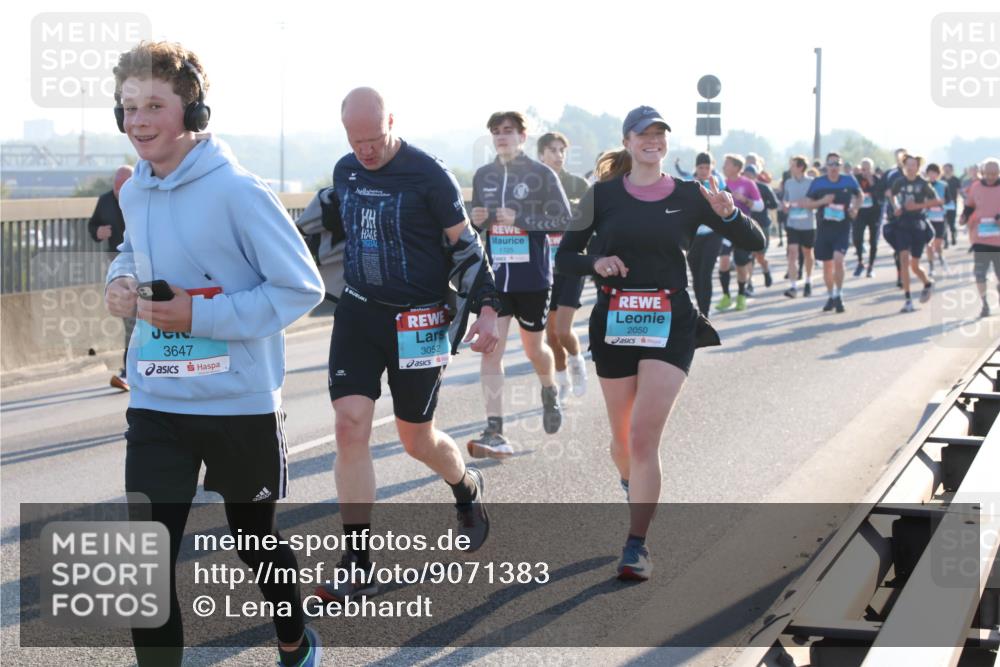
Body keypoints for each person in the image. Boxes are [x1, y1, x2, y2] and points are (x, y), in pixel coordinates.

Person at [103, 41, 325, 667]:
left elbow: (300, 287)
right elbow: (130, 252)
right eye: (129, 107)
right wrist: (120, 281)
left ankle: (294, 641)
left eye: (155, 105)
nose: (139, 121)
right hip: (157, 398)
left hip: (238, 405)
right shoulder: (135, 191)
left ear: (194, 111)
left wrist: (198, 316)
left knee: (255, 542)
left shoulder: (239, 191)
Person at [556, 106, 764, 581]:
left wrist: (730, 214)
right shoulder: (601, 195)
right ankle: (630, 480)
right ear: (627, 142)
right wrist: (595, 264)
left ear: (666, 142)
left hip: (671, 321)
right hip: (615, 321)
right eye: (643, 134)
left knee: (644, 436)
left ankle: (636, 545)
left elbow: (755, 242)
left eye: (659, 134)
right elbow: (565, 258)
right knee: (622, 441)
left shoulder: (692, 194)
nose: (653, 140)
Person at [317, 88, 500, 601]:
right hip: (359, 313)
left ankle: (465, 486)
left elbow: (466, 246)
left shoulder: (428, 175)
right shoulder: (345, 172)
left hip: (418, 320)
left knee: (415, 439)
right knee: (349, 426)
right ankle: (358, 561)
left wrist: (487, 306)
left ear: (392, 122)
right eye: (356, 141)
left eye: (374, 139)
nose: (366, 151)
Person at [466, 112, 571, 458]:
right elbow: (477, 226)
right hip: (495, 279)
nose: (501, 136)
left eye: (508, 131)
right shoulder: (483, 175)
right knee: (491, 350)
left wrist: (522, 220)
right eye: (496, 131)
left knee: (533, 350)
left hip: (532, 278)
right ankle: (494, 429)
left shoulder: (541, 174)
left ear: (523, 136)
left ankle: (549, 390)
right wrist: (477, 221)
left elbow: (563, 220)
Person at [537, 131, 590, 400]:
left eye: (562, 150)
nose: (559, 155)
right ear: (541, 155)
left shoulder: (578, 185)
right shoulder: (532, 186)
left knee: (562, 329)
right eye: (553, 150)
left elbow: (590, 221)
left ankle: (578, 362)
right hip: (545, 268)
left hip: (571, 264)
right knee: (551, 335)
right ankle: (561, 379)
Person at [88, 164, 134, 391]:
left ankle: (131, 370)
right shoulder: (105, 200)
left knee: (138, 319)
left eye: (122, 187)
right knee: (130, 318)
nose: (118, 192)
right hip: (117, 268)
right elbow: (93, 225)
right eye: (116, 188)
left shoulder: (142, 196)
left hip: (144, 266)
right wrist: (98, 232)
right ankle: (130, 371)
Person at [803, 152, 862, 313]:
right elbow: (808, 203)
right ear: (826, 166)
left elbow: (860, 195)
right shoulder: (818, 183)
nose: (834, 167)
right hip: (824, 228)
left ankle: (839, 294)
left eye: (837, 164)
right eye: (831, 164)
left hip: (842, 227)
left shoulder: (849, 180)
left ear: (841, 166)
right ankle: (831, 295)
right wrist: (823, 201)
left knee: (838, 259)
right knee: (827, 265)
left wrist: (855, 208)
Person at [886, 154, 942, 312]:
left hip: (918, 224)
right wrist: (896, 206)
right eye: (908, 165)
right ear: (904, 167)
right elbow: (891, 194)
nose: (910, 168)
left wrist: (917, 206)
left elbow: (936, 201)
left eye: (913, 165)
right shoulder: (899, 182)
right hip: (902, 224)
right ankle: (908, 299)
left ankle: (927, 283)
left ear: (917, 167)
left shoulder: (923, 183)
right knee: (903, 259)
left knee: (915, 265)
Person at [716, 154, 764, 311]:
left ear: (736, 167)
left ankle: (741, 295)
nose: (724, 167)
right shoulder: (722, 183)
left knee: (740, 265)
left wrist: (745, 200)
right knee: (723, 261)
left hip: (743, 230)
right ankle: (726, 296)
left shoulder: (748, 183)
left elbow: (760, 206)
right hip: (726, 230)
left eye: (727, 164)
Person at [685, 152, 726, 314]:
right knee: (696, 275)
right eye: (701, 167)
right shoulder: (688, 182)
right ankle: (701, 312)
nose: (704, 171)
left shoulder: (717, 182)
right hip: (694, 236)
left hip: (713, 234)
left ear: (712, 167)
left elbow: (727, 204)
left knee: (705, 273)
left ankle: (705, 313)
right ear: (696, 167)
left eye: (707, 167)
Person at [960, 158, 1000, 317]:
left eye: (994, 173)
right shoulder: (976, 187)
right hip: (980, 238)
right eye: (988, 173)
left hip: (998, 240)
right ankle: (984, 304)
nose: (991, 177)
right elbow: (969, 205)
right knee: (980, 273)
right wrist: (964, 216)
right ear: (982, 173)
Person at [781, 156, 816, 298]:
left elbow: (816, 200)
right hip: (792, 224)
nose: (790, 168)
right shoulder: (788, 183)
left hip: (808, 224)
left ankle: (808, 281)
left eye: (793, 165)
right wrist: (785, 205)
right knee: (792, 253)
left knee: (807, 253)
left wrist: (807, 202)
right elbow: (785, 199)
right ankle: (793, 286)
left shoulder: (812, 182)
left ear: (801, 167)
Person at [743, 163, 777, 292]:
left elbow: (774, 204)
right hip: (747, 224)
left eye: (750, 175)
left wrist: (761, 204)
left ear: (756, 175)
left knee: (759, 255)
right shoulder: (741, 188)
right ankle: (749, 283)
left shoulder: (764, 188)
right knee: (749, 255)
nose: (747, 177)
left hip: (762, 225)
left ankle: (765, 269)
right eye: (745, 175)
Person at [852, 158, 882, 278]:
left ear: (872, 169)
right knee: (857, 237)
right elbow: (852, 193)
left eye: (868, 169)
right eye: (863, 169)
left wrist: (871, 181)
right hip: (860, 213)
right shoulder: (856, 179)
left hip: (874, 213)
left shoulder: (877, 179)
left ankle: (871, 266)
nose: (865, 171)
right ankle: (860, 262)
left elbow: (879, 194)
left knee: (873, 241)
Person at [924, 163, 950, 276]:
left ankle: (940, 257)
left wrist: (941, 203)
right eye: (930, 172)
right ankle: (931, 266)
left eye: (934, 173)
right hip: (927, 218)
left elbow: (949, 200)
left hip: (940, 217)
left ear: (938, 174)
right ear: (927, 173)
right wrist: (928, 204)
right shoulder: (923, 185)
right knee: (929, 244)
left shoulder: (943, 185)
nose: (932, 175)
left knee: (938, 244)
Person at [942, 162, 962, 246]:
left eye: (948, 169)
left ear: (951, 170)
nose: (947, 171)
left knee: (951, 223)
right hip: (942, 204)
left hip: (952, 203)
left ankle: (953, 235)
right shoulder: (941, 179)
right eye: (945, 169)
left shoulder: (956, 179)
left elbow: (958, 191)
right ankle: (945, 240)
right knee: (943, 223)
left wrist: (958, 200)